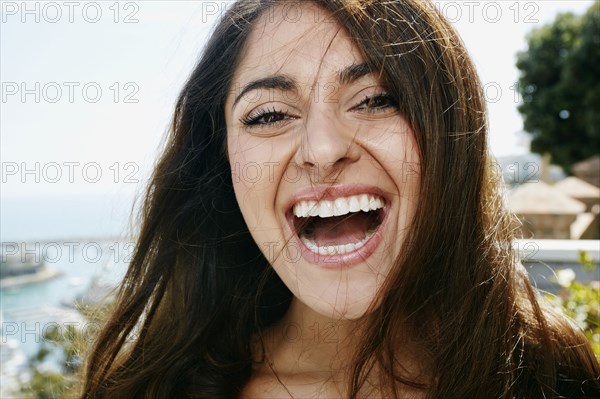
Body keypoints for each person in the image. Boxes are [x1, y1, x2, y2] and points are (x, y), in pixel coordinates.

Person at [81, 1, 600, 398]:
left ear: (451, 132)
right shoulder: (149, 389)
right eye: (269, 115)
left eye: (376, 99)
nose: (324, 150)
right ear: (223, 163)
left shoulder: (551, 371)